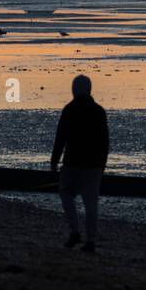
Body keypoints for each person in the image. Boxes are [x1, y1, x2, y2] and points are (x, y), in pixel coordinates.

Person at [50, 74, 109, 252]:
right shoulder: (99, 111)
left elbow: (60, 138)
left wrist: (54, 161)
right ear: (89, 90)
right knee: (91, 202)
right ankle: (90, 240)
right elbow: (104, 142)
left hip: (72, 162)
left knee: (66, 193)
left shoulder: (69, 110)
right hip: (93, 165)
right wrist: (102, 164)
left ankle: (75, 231)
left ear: (74, 90)